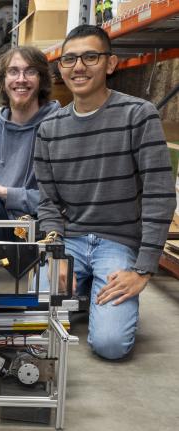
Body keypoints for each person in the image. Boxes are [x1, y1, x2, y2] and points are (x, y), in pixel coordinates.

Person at [34, 25, 175, 360]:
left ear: (110, 64)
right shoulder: (49, 129)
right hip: (72, 239)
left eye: (90, 57)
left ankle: (95, 292)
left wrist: (143, 270)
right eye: (69, 59)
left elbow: (160, 194)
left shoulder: (139, 116)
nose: (78, 66)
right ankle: (82, 288)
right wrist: (55, 252)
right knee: (25, 322)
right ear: (61, 69)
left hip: (118, 241)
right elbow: (48, 201)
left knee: (110, 346)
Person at [0, 46, 59, 241]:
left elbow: (63, 200)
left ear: (41, 79)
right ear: (3, 80)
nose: (21, 79)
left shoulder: (60, 125)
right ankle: (2, 260)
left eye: (30, 71)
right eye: (13, 71)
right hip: (4, 225)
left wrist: (5, 192)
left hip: (46, 226)